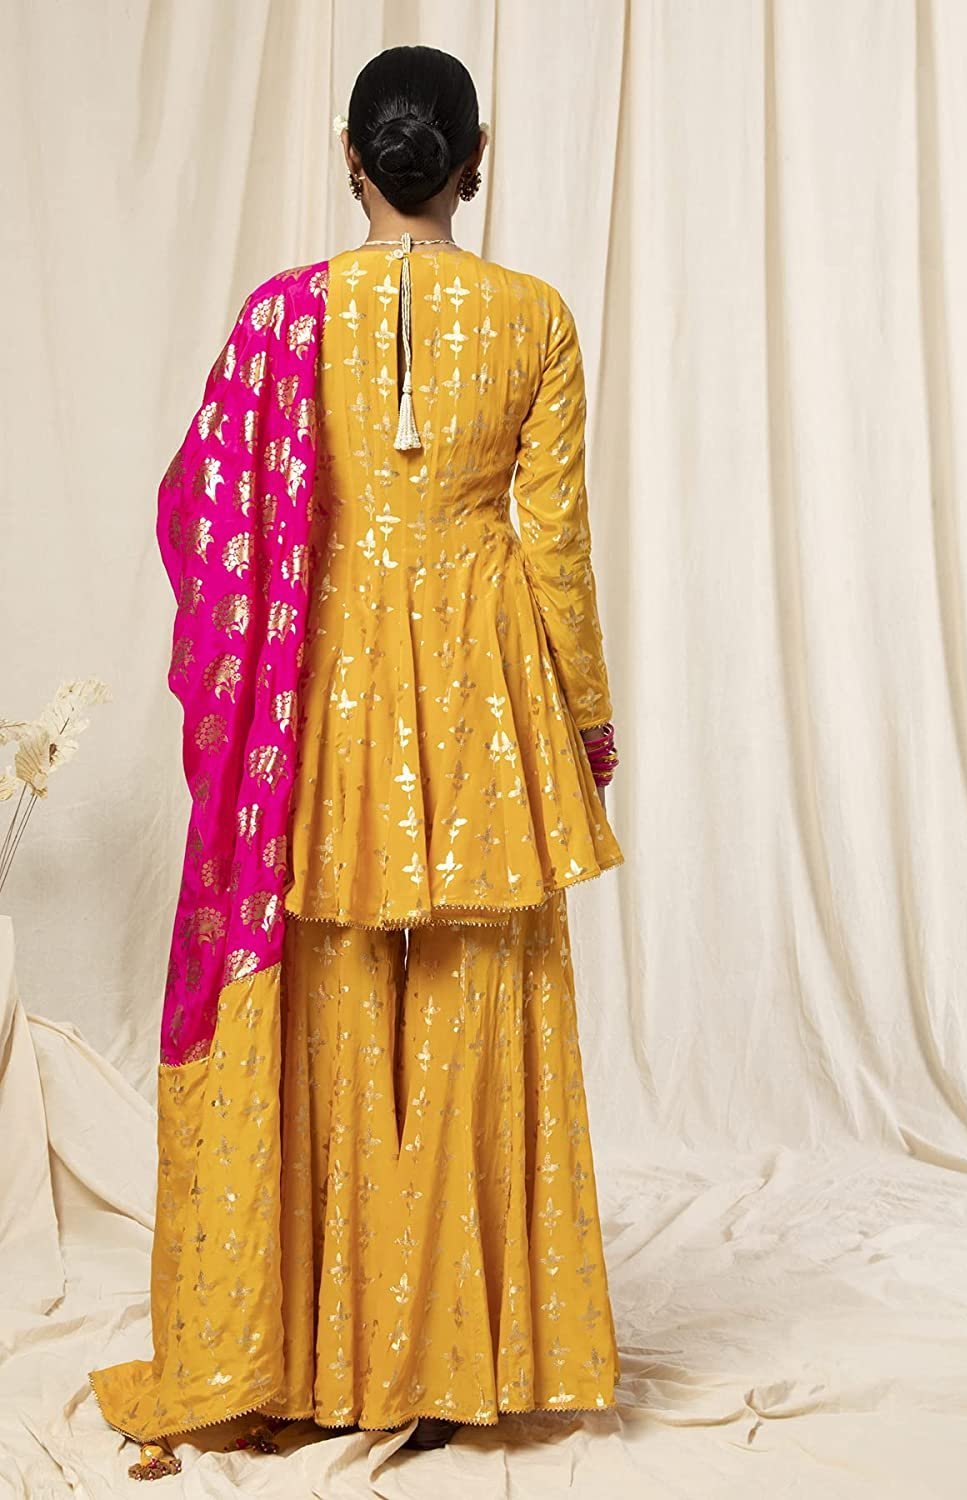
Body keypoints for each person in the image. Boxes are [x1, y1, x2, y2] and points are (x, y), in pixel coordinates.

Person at [89, 43, 624, 1478]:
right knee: (469, 1006)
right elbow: (556, 550)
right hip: (485, 695)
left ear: (351, 158)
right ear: (474, 160)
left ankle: (320, 1353)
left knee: (325, 1010)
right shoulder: (535, 318)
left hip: (317, 694)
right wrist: (583, 723)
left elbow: (205, 505)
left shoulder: (282, 317)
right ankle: (455, 1356)